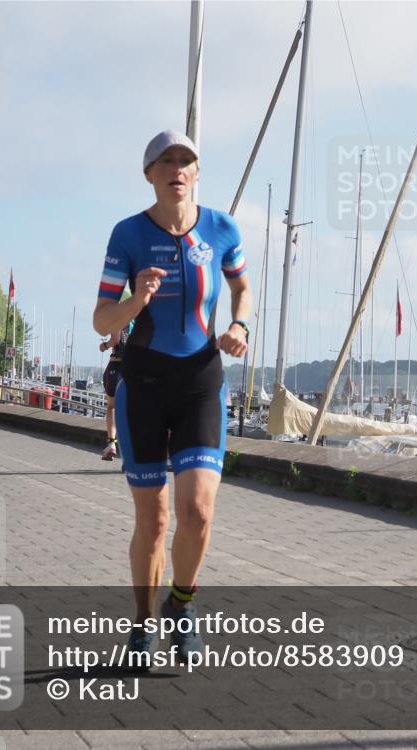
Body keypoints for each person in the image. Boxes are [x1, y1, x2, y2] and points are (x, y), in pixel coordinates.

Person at [92, 129, 251, 670]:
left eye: (187, 161)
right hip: (146, 384)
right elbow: (101, 319)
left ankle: (182, 607)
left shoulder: (222, 228)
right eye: (167, 162)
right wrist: (137, 298)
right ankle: (142, 625)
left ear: (197, 172)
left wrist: (239, 324)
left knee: (199, 510)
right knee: (155, 522)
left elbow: (242, 287)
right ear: (150, 174)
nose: (177, 169)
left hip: (202, 379)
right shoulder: (128, 234)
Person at [99, 308, 132, 460]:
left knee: (112, 407)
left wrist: (104, 346)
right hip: (131, 368)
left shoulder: (118, 316)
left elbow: (116, 339)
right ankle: (129, 452)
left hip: (115, 367)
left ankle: (111, 444)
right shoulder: (139, 318)